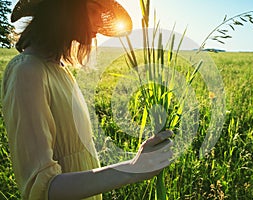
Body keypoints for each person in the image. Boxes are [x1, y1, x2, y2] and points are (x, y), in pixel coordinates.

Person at [1, 0, 173, 199]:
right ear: (66, 8)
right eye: (95, 11)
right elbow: (43, 189)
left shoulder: (60, 70)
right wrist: (132, 169)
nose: (99, 25)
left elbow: (78, 156)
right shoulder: (27, 72)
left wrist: (139, 159)